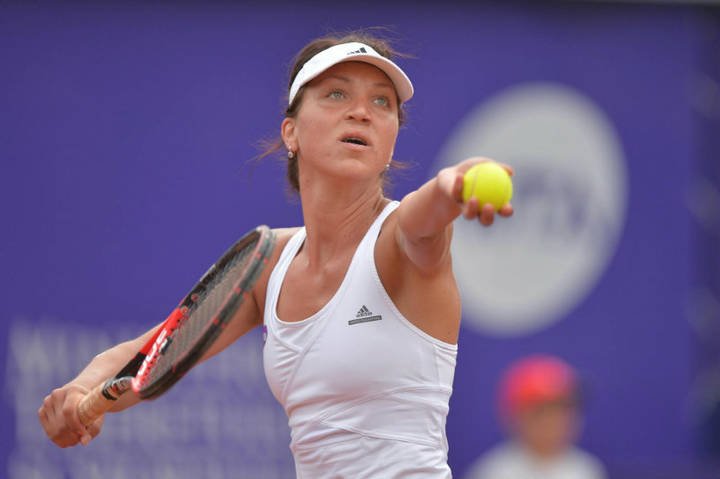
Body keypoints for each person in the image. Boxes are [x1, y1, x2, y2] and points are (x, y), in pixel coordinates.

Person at [38, 31, 513, 478]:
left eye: (381, 102)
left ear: (391, 143)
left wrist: (457, 183)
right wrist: (80, 393)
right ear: (291, 133)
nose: (361, 112)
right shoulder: (268, 263)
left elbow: (430, 211)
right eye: (336, 94)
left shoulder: (401, 240)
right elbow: (155, 352)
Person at [464, 355, 607, 479]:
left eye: (565, 408)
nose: (556, 421)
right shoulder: (493, 473)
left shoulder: (587, 469)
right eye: (544, 411)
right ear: (517, 418)